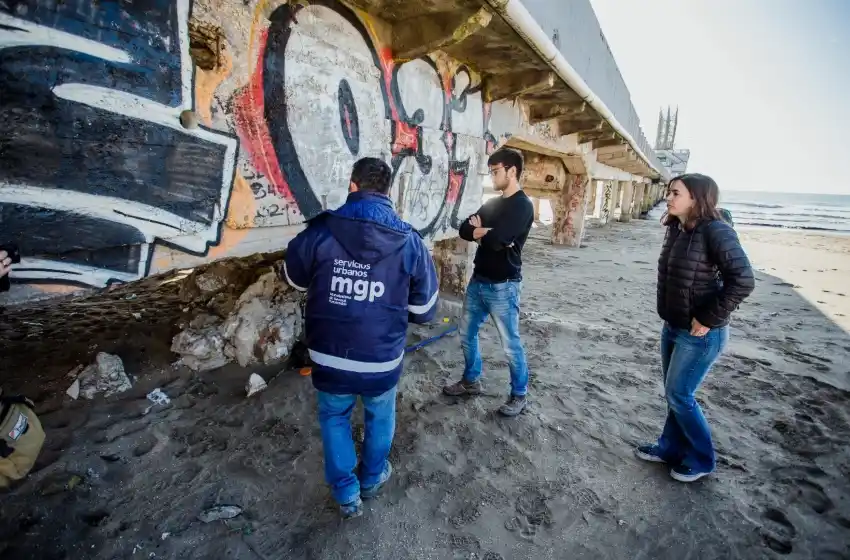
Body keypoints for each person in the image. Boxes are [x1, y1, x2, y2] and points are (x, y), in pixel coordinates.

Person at [282, 157, 438, 518]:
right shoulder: (410, 241)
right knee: (380, 414)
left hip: (329, 354)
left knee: (334, 415)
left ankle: (346, 493)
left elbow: (294, 277)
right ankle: (371, 478)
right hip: (382, 358)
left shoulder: (320, 231)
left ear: (352, 186)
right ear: (388, 191)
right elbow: (426, 309)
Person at [635, 173, 755, 482]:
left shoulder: (717, 231)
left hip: (702, 332)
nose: (669, 197)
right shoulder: (676, 227)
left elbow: (743, 280)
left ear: (696, 198)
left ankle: (702, 458)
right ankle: (669, 448)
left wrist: (708, 318)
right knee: (674, 395)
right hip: (673, 325)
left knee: (680, 395)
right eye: (669, 192)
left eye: (676, 193)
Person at [442, 148, 534, 417]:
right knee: (466, 333)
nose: (492, 176)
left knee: (510, 344)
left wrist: (481, 233)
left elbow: (496, 242)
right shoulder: (493, 203)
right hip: (478, 281)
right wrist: (486, 233)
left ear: (512, 171)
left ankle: (519, 394)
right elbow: (463, 229)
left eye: (496, 171)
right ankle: (471, 381)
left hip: (504, 287)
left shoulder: (522, 205)